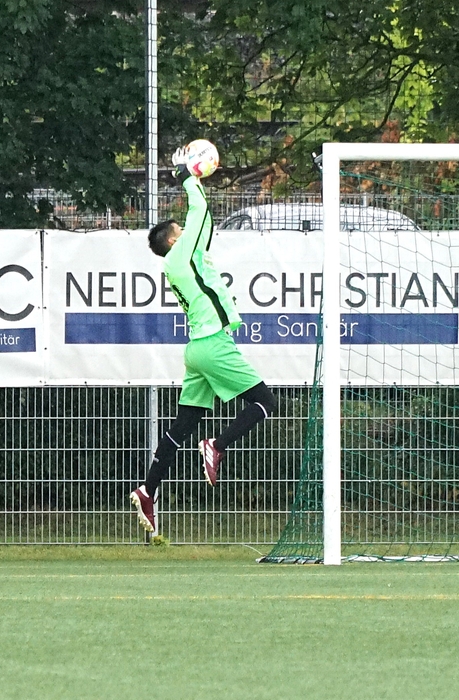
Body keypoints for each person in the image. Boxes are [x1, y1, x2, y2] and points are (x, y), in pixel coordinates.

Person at [130, 145, 277, 532]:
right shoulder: (180, 258)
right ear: (174, 242)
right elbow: (200, 210)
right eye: (180, 231)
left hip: (197, 348)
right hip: (212, 344)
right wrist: (186, 175)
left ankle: (147, 490)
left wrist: (193, 177)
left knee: (181, 427)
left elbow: (204, 222)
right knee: (265, 402)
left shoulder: (185, 260)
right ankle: (217, 445)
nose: (186, 230)